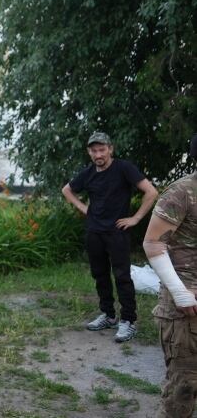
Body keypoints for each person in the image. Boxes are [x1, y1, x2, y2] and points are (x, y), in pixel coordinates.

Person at [62, 131, 157, 342]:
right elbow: (67, 190)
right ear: (89, 152)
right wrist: (83, 208)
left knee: (122, 276)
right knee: (100, 274)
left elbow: (151, 192)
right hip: (94, 231)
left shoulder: (124, 168)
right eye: (94, 151)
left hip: (117, 232)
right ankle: (108, 314)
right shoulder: (88, 173)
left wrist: (135, 218)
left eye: (102, 150)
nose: (98, 154)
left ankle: (128, 321)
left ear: (110, 149)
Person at [143, 135, 197, 418]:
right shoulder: (182, 192)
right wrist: (179, 291)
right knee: (184, 389)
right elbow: (152, 243)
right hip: (186, 312)